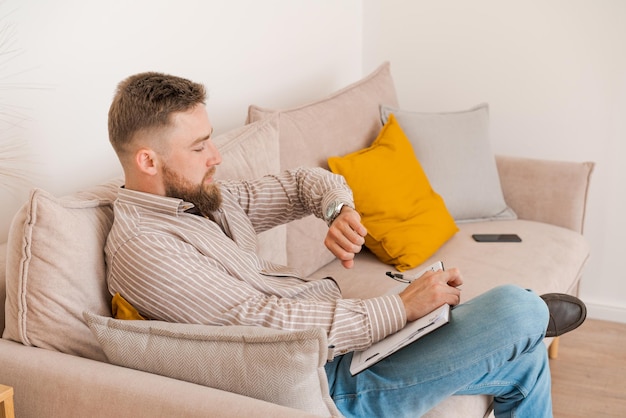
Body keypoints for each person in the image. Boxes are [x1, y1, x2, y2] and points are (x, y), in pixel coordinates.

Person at [105, 72, 587, 417]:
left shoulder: (205, 198)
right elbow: (269, 327)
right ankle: (530, 315)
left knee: (523, 356)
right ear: (147, 160)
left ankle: (520, 321)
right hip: (327, 382)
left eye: (211, 141)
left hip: (347, 348)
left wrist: (339, 210)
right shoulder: (144, 247)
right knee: (517, 311)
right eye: (198, 147)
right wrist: (399, 309)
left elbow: (300, 183)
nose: (216, 157)